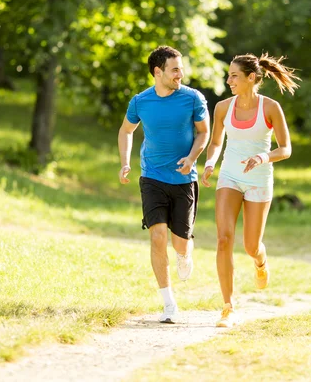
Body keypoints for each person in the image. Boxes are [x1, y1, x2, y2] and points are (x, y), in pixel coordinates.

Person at [200, 53, 300, 328]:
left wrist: (262, 157)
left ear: (251, 78)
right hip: (230, 175)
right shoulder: (222, 107)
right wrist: (210, 163)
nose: (228, 80)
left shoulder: (270, 108)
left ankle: (261, 261)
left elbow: (286, 149)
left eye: (234, 75)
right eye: (229, 75)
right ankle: (228, 307)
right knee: (223, 239)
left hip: (259, 178)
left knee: (250, 245)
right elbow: (216, 142)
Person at [118, 45, 210, 324]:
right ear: (158, 72)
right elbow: (126, 130)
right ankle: (169, 304)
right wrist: (125, 162)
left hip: (184, 179)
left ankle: (184, 255)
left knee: (180, 244)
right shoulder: (140, 101)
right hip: (152, 177)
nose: (180, 74)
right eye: (175, 69)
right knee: (157, 236)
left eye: (181, 68)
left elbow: (204, 132)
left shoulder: (192, 98)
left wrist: (192, 157)